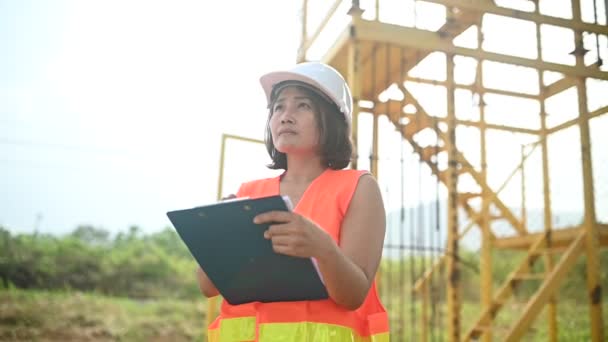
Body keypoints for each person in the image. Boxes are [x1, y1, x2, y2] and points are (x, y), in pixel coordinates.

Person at [196, 61, 389, 341]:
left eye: (302, 106)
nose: (285, 116)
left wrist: (324, 250)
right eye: (278, 108)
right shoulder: (247, 193)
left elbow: (353, 295)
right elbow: (207, 286)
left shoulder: (358, 188)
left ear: (333, 119)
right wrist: (220, 237)